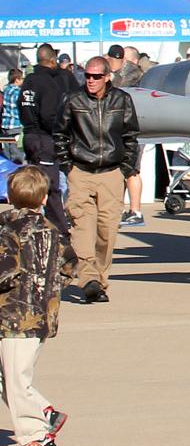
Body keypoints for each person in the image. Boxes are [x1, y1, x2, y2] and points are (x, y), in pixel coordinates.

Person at [0, 166, 72, 446]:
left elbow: (6, 270)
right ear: (44, 199)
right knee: (8, 376)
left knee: (16, 378)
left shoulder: (8, 229)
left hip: (15, 317)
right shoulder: (52, 230)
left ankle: (35, 437)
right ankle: (44, 411)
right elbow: (70, 268)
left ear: (9, 195)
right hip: (42, 315)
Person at [53, 56, 139, 304]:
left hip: (111, 174)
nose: (90, 80)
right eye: (87, 76)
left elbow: (131, 135)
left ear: (107, 77)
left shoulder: (122, 100)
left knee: (107, 232)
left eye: (96, 76)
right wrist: (68, 166)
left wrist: (125, 168)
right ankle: (88, 279)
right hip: (80, 172)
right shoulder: (72, 100)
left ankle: (98, 281)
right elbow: (59, 134)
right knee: (82, 228)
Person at [18, 44, 76, 237]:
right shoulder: (47, 83)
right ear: (52, 60)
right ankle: (61, 231)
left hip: (30, 136)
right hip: (44, 138)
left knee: (35, 183)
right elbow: (48, 116)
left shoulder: (28, 81)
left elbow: (24, 108)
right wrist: (61, 133)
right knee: (49, 187)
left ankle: (38, 223)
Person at [105, 46, 147, 228]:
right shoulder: (125, 73)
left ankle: (136, 211)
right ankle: (121, 209)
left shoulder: (133, 75)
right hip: (122, 130)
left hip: (134, 130)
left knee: (132, 170)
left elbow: (119, 89)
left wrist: (111, 77)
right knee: (122, 171)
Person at [1, 69, 22, 163]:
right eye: (21, 79)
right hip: (15, 124)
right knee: (15, 149)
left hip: (5, 124)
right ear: (17, 79)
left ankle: (7, 167)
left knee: (7, 148)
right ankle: (16, 168)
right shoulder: (18, 92)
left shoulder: (6, 90)